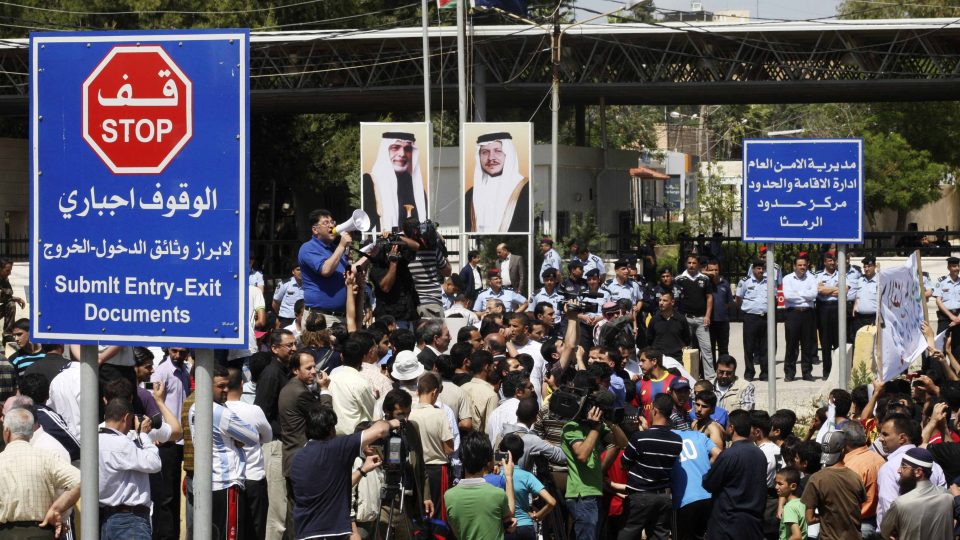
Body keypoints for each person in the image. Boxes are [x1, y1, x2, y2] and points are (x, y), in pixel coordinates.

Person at [290, 401, 402, 540]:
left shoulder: (297, 458)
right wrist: (395, 422)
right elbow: (379, 430)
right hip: (330, 532)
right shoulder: (337, 447)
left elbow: (332, 487)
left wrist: (362, 470)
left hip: (304, 532)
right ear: (331, 430)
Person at [188, 365, 259, 540]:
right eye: (220, 386)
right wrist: (237, 440)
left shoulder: (194, 407)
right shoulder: (220, 412)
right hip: (226, 483)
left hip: (207, 485)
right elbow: (253, 436)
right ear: (205, 385)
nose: (226, 390)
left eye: (227, 385)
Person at [561, 373, 628, 540]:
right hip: (581, 495)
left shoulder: (597, 427)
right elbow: (582, 455)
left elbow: (622, 444)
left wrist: (611, 423)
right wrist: (596, 428)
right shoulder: (571, 427)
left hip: (594, 493)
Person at [0, 407, 80, 540]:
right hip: (43, 532)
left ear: (7, 432)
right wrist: (57, 508)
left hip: (6, 534)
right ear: (31, 432)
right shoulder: (47, 458)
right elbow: (81, 480)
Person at [619, 393, 682, 540]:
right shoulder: (677, 440)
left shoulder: (639, 437)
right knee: (659, 535)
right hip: (664, 497)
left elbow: (625, 462)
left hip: (640, 495)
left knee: (628, 533)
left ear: (655, 410)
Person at [99, 397, 161, 540]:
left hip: (107, 520)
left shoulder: (95, 440)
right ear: (126, 417)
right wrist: (144, 435)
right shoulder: (121, 444)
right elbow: (154, 463)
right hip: (130, 522)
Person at [702, 409, 767, 540]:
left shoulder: (729, 455)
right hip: (753, 524)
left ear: (731, 428)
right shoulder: (760, 454)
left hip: (728, 524)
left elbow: (709, 483)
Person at [224, 368, 273, 540]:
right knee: (256, 529)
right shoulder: (254, 411)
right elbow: (268, 436)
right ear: (242, 385)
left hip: (229, 480)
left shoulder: (217, 411)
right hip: (254, 478)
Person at [876, 415, 946, 527]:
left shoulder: (889, 468)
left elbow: (890, 509)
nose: (880, 438)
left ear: (902, 438)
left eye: (885, 434)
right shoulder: (935, 466)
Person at [445, 431, 516, 540]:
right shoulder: (497, 494)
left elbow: (456, 530)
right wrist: (509, 477)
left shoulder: (449, 496)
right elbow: (510, 513)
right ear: (487, 460)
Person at [801, 430, 865, 539]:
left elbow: (809, 519)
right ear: (843, 450)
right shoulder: (856, 477)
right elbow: (859, 507)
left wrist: (825, 517)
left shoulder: (816, 479)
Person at [879, 447, 953, 540]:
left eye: (903, 466)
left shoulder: (901, 503)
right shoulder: (948, 497)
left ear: (918, 472)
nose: (899, 470)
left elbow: (885, 532)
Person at [408, 372, 455, 516]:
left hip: (414, 470)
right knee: (438, 513)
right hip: (437, 470)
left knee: (418, 513)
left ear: (418, 391)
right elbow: (449, 449)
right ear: (434, 392)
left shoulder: (409, 414)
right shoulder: (440, 414)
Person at [362, 131, 427, 232]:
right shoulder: (370, 181)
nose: (402, 154)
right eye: (395, 147)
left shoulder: (415, 187)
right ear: (385, 150)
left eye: (407, 148)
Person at [465, 132, 530, 233]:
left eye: (498, 151)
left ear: (508, 154)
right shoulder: (471, 194)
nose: (491, 158)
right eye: (485, 152)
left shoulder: (526, 189)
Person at [498, 433, 557, 540]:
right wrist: (538, 515)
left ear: (501, 452)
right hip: (525, 527)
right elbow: (551, 502)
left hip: (504, 527)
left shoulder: (496, 475)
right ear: (521, 454)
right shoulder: (527, 476)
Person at [299, 209, 351, 327]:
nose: (331, 225)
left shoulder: (334, 249)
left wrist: (369, 255)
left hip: (340, 317)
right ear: (315, 230)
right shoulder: (308, 248)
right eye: (326, 222)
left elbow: (350, 271)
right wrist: (342, 245)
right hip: (320, 319)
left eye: (332, 222)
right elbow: (326, 270)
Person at [671, 422, 720, 540]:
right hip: (708, 496)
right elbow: (718, 454)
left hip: (684, 500)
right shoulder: (699, 436)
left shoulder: (668, 437)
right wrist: (706, 464)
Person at [837, 420, 884, 536]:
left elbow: (844, 502)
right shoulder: (879, 459)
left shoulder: (850, 466)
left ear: (844, 442)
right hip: (875, 522)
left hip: (856, 526)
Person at [674, 255, 715, 379]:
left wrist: (708, 315)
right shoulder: (679, 279)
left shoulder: (705, 279)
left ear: (698, 264)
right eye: (689, 263)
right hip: (685, 319)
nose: (691, 265)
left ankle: (710, 378)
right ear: (686, 264)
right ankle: (687, 376)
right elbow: (675, 300)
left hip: (701, 319)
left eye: (694, 263)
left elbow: (709, 298)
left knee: (707, 349)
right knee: (686, 349)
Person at [328, 332, 376, 435]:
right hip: (354, 437)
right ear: (363, 357)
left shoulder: (331, 378)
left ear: (341, 356)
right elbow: (372, 412)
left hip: (334, 435)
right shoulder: (361, 383)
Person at [405, 217, 452, 319]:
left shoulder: (405, 253)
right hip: (432, 304)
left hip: (413, 305)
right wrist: (443, 249)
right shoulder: (433, 251)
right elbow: (447, 272)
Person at [782, 254, 819, 382]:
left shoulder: (812, 278)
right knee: (791, 344)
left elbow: (814, 294)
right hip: (793, 314)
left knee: (807, 344)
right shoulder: (787, 278)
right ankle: (789, 372)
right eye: (799, 265)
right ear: (794, 266)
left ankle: (807, 372)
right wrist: (805, 295)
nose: (802, 267)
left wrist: (798, 294)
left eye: (804, 265)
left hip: (808, 313)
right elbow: (788, 295)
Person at [815, 251, 844, 380]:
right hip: (824, 309)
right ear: (825, 262)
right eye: (830, 260)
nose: (832, 263)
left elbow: (844, 290)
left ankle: (839, 372)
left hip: (838, 308)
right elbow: (819, 290)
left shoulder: (842, 274)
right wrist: (835, 289)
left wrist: (827, 290)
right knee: (825, 342)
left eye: (834, 260)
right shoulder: (818, 275)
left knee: (839, 341)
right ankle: (826, 372)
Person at [461, 350, 501, 434]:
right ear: (487, 367)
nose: (494, 370)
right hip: (479, 443)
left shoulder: (461, 388)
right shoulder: (491, 395)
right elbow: (489, 430)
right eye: (493, 367)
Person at [645, 291, 690, 361]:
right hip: (659, 359)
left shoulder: (681, 319)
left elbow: (687, 339)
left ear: (672, 302)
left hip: (676, 359)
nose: (661, 303)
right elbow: (649, 339)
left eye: (664, 300)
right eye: (660, 300)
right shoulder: (654, 320)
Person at [703, 260, 732, 361]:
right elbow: (696, 272)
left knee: (723, 349)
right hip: (709, 322)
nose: (714, 272)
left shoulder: (725, 283)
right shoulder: (704, 283)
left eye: (716, 270)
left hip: (723, 321)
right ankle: (711, 372)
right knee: (709, 349)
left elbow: (729, 302)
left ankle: (723, 370)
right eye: (711, 270)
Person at [934, 256, 960, 361]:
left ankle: (955, 372)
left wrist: (958, 318)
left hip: (959, 316)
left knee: (957, 345)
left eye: (958, 266)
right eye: (954, 266)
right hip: (945, 316)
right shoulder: (941, 281)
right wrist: (951, 317)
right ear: (949, 267)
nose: (957, 268)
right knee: (941, 343)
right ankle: (940, 372)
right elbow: (938, 301)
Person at [775, 468, 807, 540]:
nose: (776, 487)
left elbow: (797, 536)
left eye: (780, 484)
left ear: (793, 486)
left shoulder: (789, 507)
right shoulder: (801, 503)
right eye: (776, 483)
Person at [0, 258, 25, 341]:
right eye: (7, 270)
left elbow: (8, 294)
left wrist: (15, 299)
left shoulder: (4, 279)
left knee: (11, 304)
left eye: (10, 270)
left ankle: (7, 335)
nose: (9, 273)